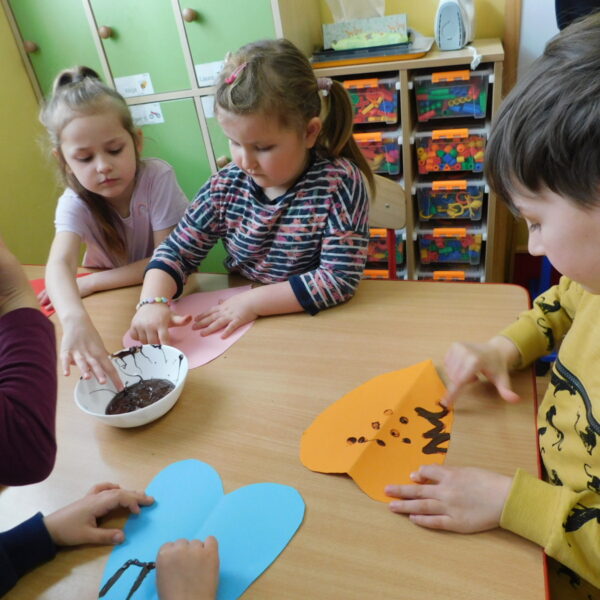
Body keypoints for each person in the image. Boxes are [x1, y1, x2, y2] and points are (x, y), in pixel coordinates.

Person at [385, 13, 600, 599]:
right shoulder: (592, 282)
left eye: (537, 221)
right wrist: (506, 346)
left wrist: (511, 502)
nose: (534, 247)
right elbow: (561, 304)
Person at [129, 38, 374, 346]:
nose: (244, 161)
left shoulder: (340, 183)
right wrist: (152, 301)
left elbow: (338, 279)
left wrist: (253, 303)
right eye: (234, 142)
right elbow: (177, 250)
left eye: (263, 147)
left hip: (313, 322)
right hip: (244, 322)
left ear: (309, 132)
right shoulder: (225, 186)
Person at [40, 66, 188, 389]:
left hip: (159, 295)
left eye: (114, 150)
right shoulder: (74, 202)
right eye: (84, 158)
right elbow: (59, 264)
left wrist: (92, 283)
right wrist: (74, 319)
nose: (103, 166)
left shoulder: (157, 178)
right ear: (64, 161)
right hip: (112, 303)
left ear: (136, 141)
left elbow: (168, 258)